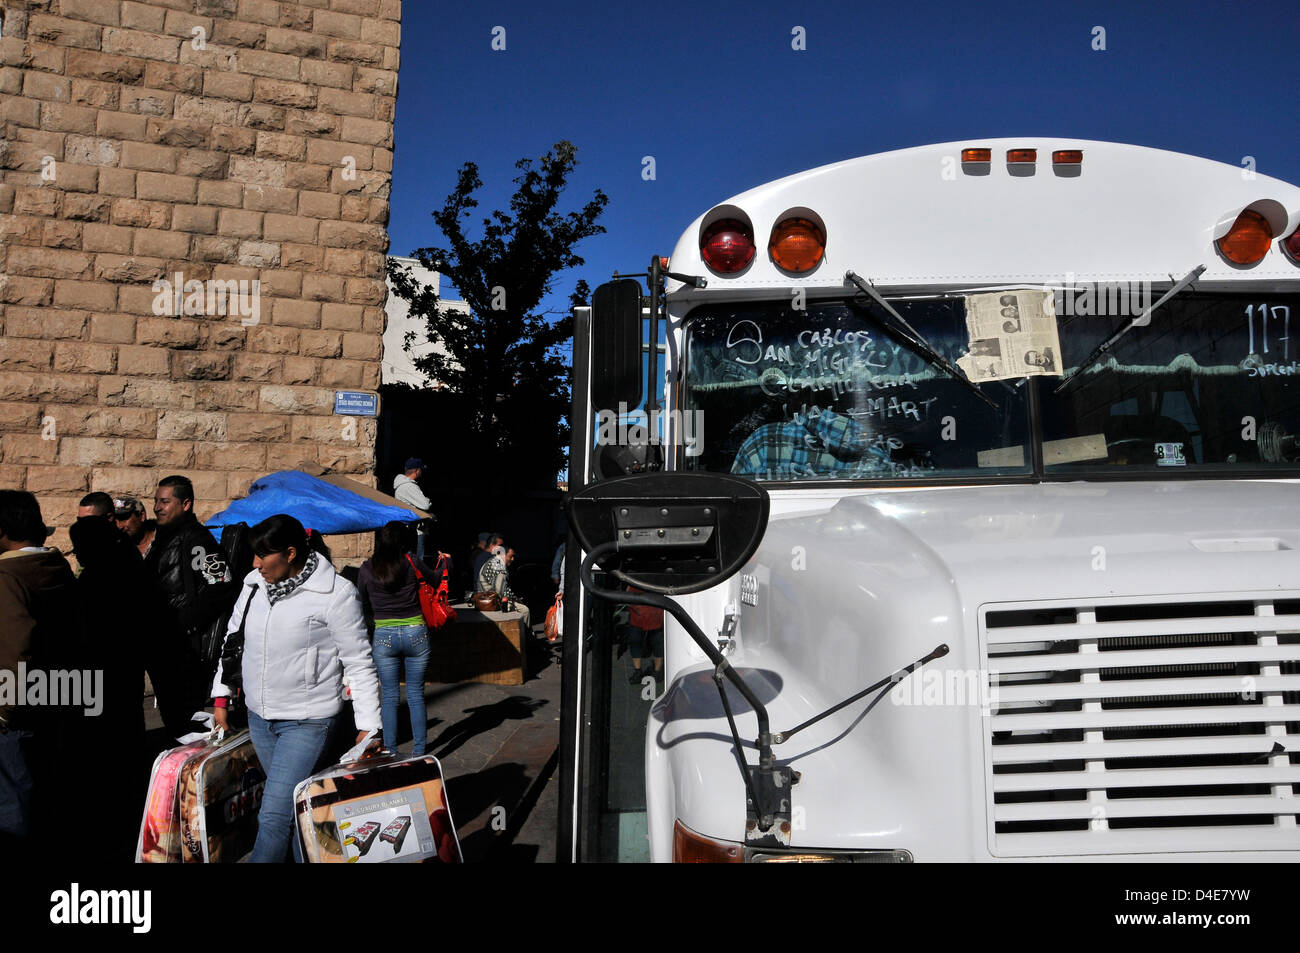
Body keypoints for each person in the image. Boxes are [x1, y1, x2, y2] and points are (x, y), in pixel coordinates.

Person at [211, 514, 381, 863]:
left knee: (273, 817)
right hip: (260, 718)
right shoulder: (254, 584)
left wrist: (369, 726)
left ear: (291, 553)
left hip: (307, 721)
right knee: (294, 808)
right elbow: (234, 639)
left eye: (263, 555)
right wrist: (221, 696)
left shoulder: (335, 594)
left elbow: (359, 661)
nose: (255, 563)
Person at [0, 490, 78, 853]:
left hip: (14, 710)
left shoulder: (6, 576)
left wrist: (3, 712)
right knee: (43, 794)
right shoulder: (56, 567)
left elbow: (16, 648)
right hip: (58, 697)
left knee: (12, 807)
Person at [145, 475, 237, 733]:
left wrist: (181, 624)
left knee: (185, 723)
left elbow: (221, 585)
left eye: (164, 501)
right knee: (174, 721)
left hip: (185, 652)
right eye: (156, 501)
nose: (157, 507)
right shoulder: (162, 540)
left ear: (186, 504)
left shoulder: (195, 540)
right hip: (163, 647)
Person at [357, 521, 443, 756]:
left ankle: (391, 751)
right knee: (415, 694)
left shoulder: (367, 568)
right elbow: (435, 579)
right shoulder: (411, 561)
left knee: (390, 696)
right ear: (402, 542)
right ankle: (419, 751)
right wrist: (445, 561)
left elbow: (360, 600)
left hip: (384, 635)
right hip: (416, 632)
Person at [478, 544, 530, 631]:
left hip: (484, 598)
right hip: (492, 602)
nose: (513, 559)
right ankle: (527, 638)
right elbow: (501, 591)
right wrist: (518, 600)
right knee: (525, 610)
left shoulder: (491, 562)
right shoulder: (500, 567)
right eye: (511, 556)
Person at [625, 587, 664, 684]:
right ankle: (655, 671)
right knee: (654, 642)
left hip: (648, 612)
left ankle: (646, 671)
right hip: (650, 611)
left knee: (654, 642)